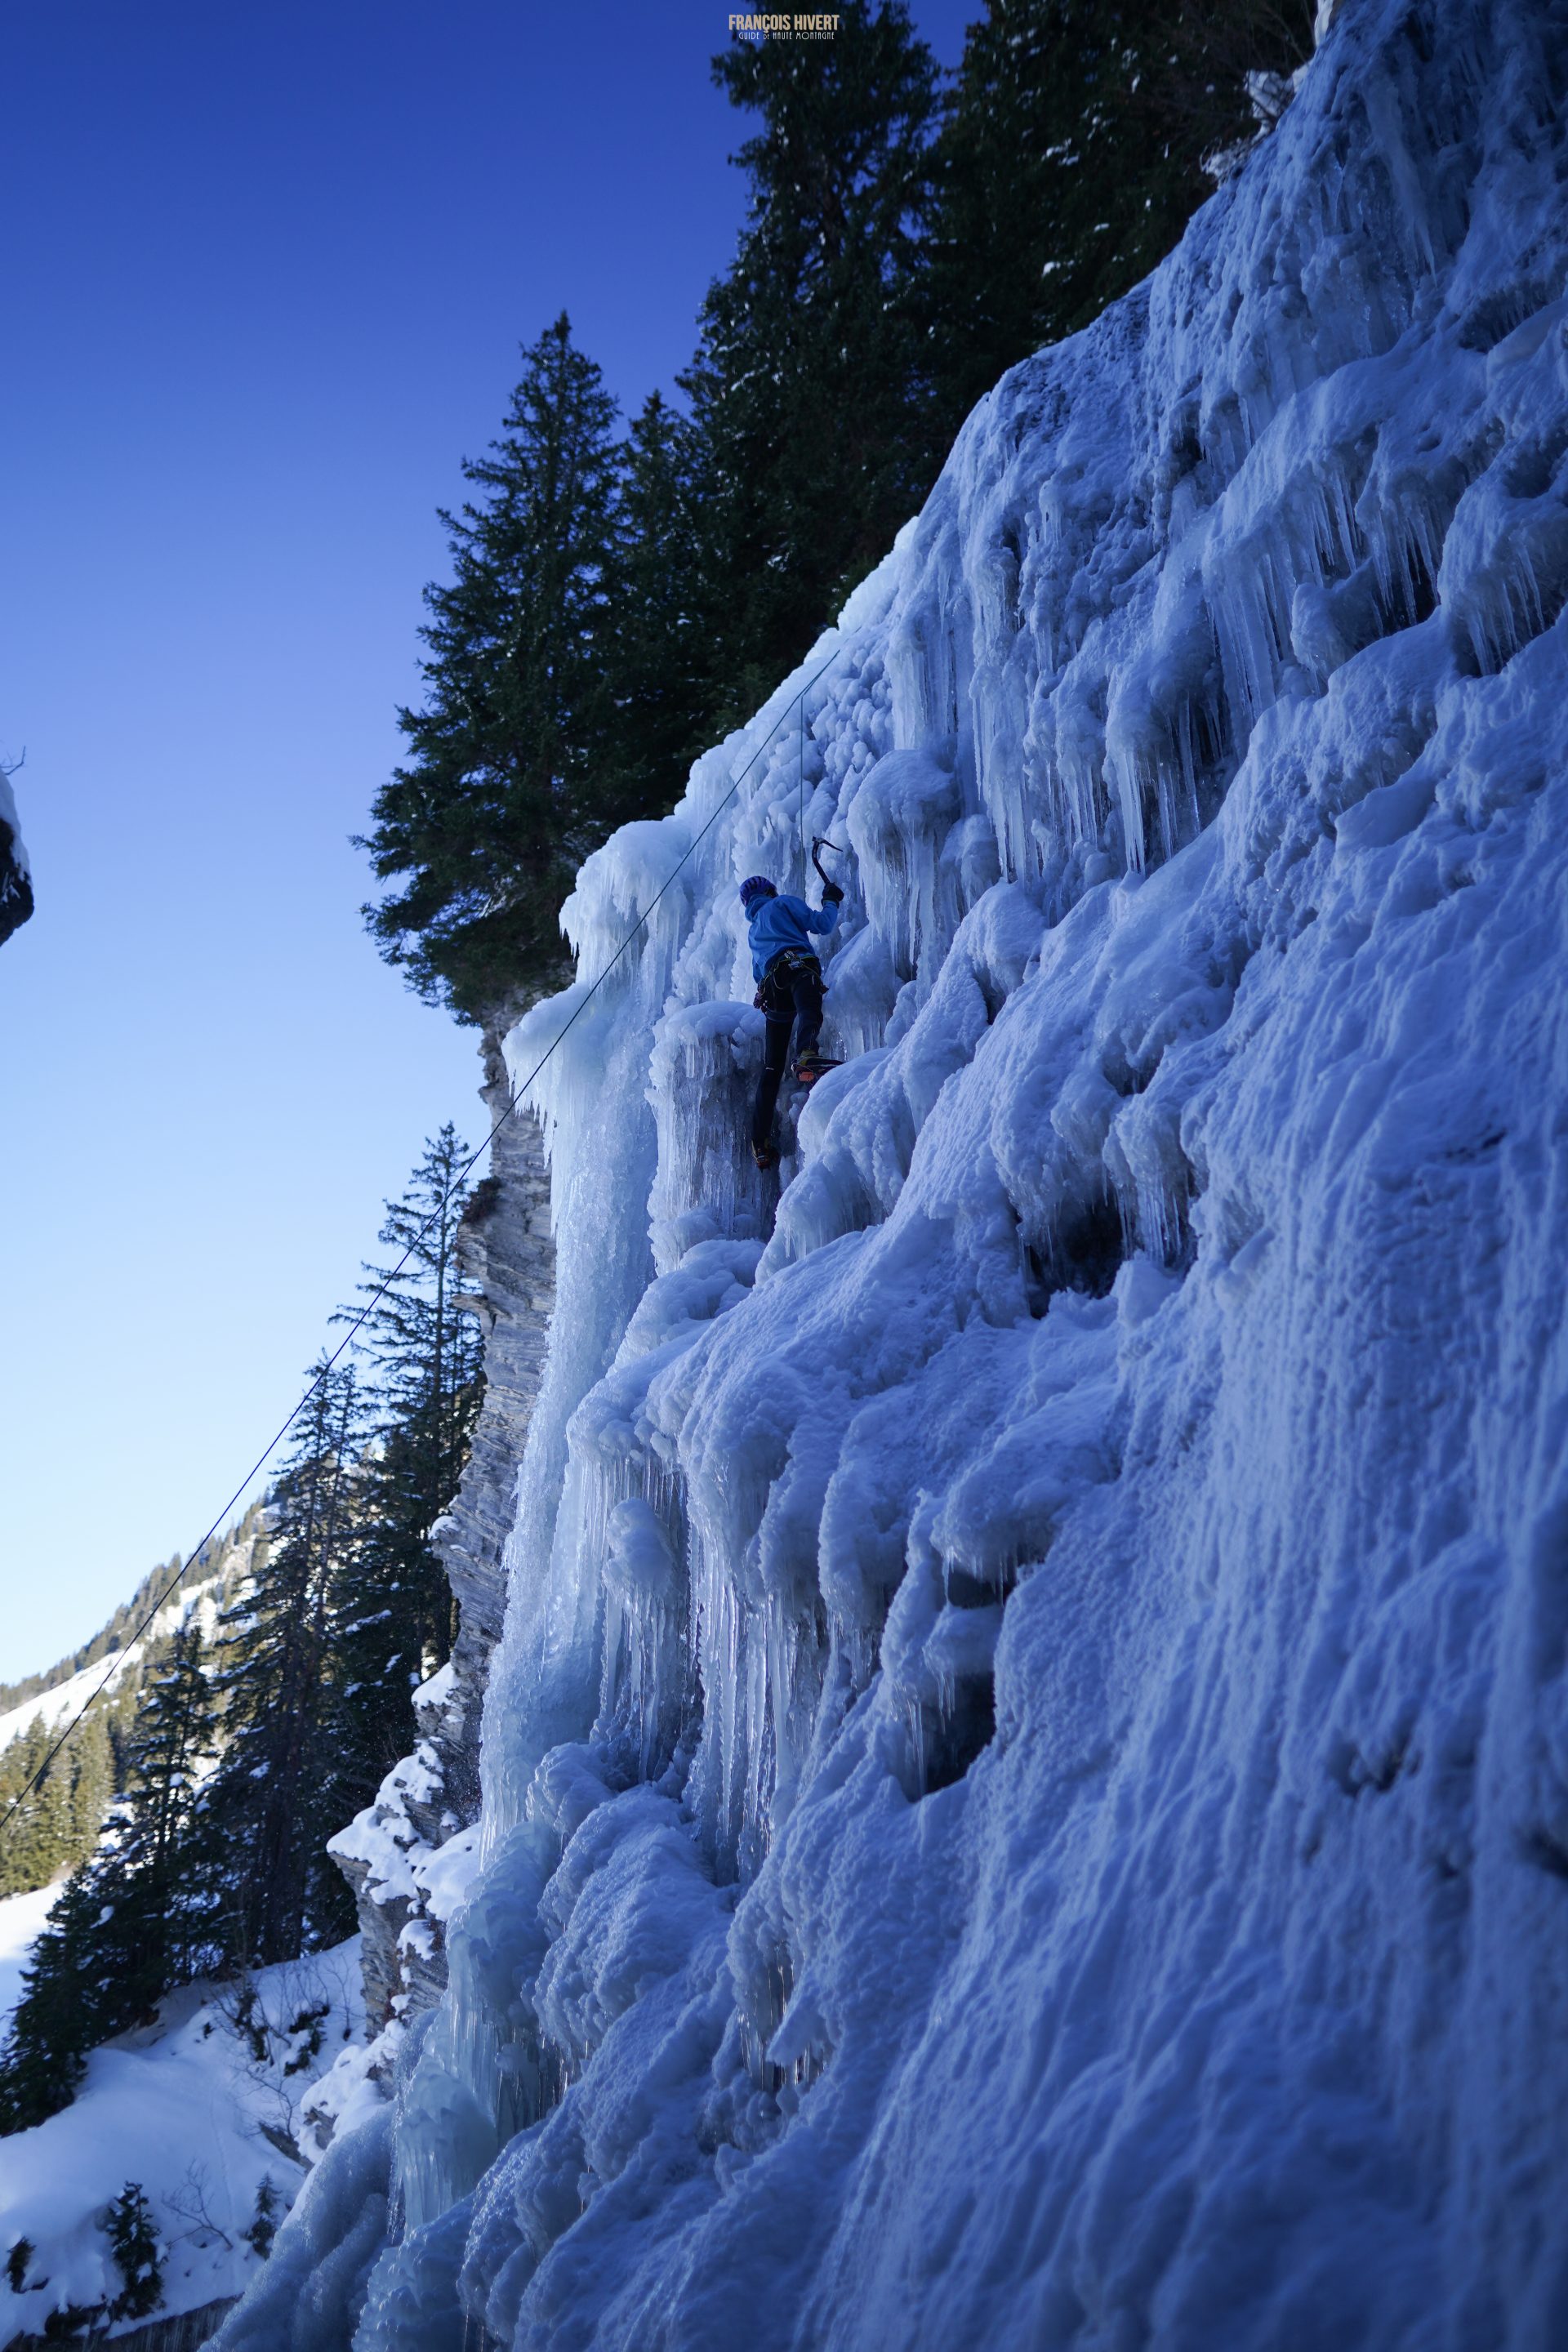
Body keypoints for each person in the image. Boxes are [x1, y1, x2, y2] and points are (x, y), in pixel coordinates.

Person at [740, 871, 844, 1169]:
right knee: (810, 1005)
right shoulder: (782, 903)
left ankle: (759, 1142)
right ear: (770, 891)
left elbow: (757, 973)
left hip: (773, 987)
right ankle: (807, 1054)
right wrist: (831, 900)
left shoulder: (753, 931)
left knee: (771, 1067)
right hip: (797, 967)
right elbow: (822, 924)